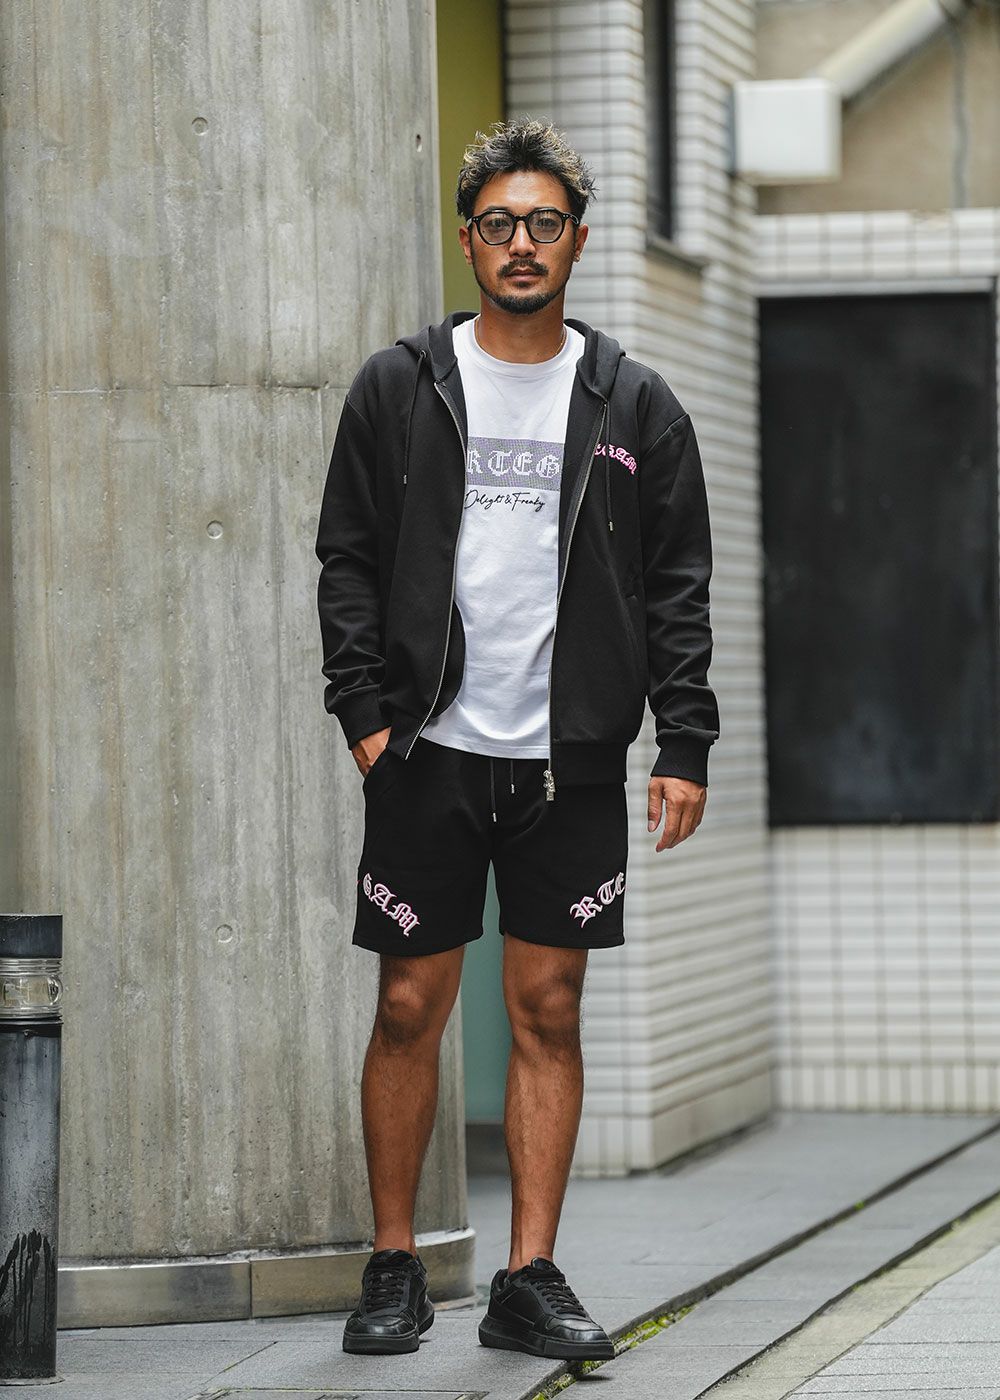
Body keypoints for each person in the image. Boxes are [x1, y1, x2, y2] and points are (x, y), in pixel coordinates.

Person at [314, 118, 720, 1362]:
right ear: (468, 241)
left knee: (548, 1007)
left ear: (577, 241)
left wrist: (683, 739)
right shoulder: (401, 385)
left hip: (569, 759)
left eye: (545, 223)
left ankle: (526, 1275)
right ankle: (394, 1263)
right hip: (428, 751)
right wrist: (366, 718)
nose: (523, 244)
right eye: (500, 224)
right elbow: (347, 557)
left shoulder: (633, 401)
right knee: (407, 1004)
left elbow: (676, 584)